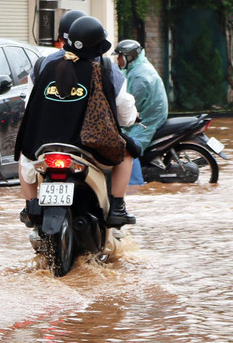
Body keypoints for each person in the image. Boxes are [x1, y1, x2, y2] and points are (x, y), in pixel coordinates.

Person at [14, 15, 139, 227]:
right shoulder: (106, 68)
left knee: (24, 159)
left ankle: (30, 207)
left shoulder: (44, 67)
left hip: (43, 145)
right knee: (128, 151)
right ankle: (117, 208)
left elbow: (30, 107)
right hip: (88, 146)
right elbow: (125, 114)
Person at [114, 39, 167, 187]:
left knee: (128, 148)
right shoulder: (134, 69)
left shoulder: (140, 76)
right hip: (144, 114)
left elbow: (130, 104)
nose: (118, 60)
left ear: (128, 57)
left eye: (119, 56)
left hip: (147, 120)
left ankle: (134, 184)